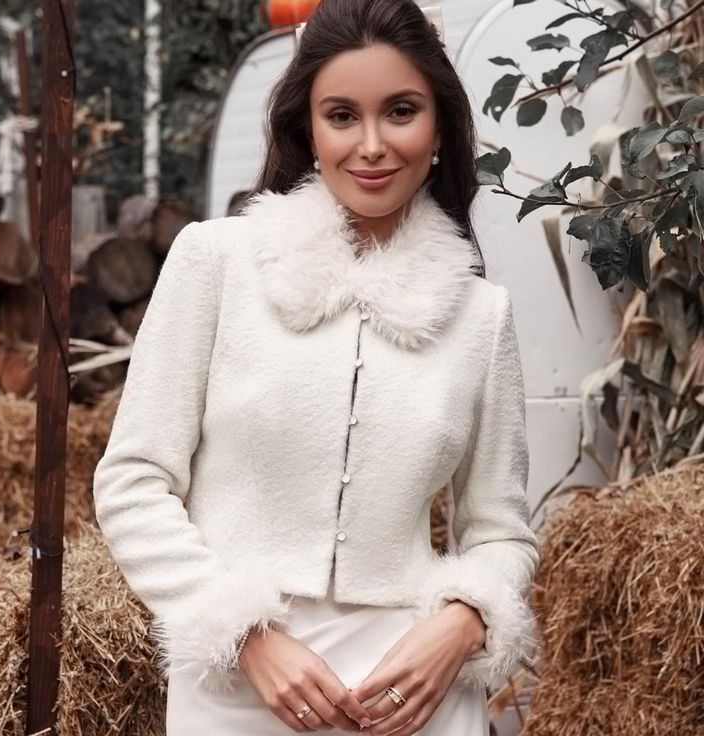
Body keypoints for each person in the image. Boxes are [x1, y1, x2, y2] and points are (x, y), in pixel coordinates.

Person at [92, 0, 541, 733]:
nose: (371, 145)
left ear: (439, 130)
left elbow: (500, 530)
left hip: (418, 694)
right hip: (241, 687)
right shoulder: (216, 264)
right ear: (308, 127)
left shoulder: (480, 316)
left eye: (400, 111)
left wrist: (462, 620)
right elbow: (133, 481)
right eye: (342, 115)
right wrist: (245, 634)